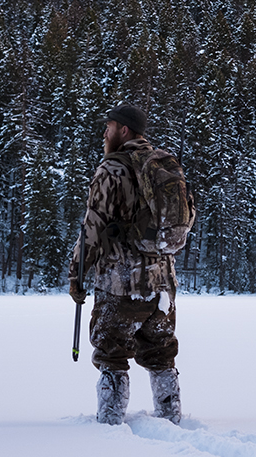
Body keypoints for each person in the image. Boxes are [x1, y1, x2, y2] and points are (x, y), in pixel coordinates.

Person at [69, 104, 183, 425]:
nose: (105, 132)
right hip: (161, 288)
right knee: (161, 355)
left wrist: (76, 275)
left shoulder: (111, 170)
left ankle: (109, 430)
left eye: (110, 126)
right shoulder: (162, 167)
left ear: (125, 131)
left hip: (121, 285)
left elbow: (92, 226)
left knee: (112, 355)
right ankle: (172, 419)